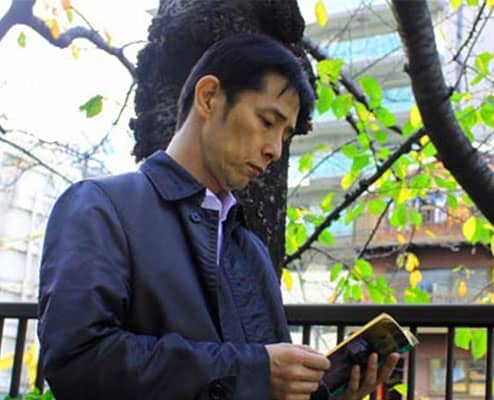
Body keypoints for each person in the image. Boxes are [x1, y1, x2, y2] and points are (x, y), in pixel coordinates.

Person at [38, 33, 399, 400]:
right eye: (267, 121)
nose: (275, 149)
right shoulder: (101, 206)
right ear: (209, 97)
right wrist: (253, 372)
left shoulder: (250, 248)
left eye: (285, 135)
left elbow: (262, 384)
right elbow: (77, 361)